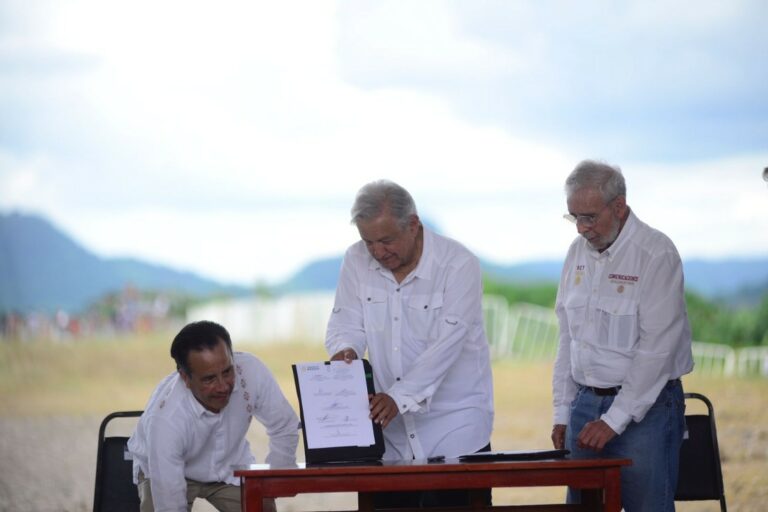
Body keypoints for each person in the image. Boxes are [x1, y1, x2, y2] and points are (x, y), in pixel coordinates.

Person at [326, 179, 494, 508]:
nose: (377, 251)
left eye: (386, 240)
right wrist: (345, 349)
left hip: (456, 427)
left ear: (413, 224)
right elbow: (346, 319)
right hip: (391, 435)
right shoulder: (356, 259)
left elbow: (447, 346)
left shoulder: (459, 265)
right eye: (368, 241)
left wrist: (398, 397)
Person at [551, 160, 694, 512]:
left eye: (589, 217)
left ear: (619, 206)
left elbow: (657, 350)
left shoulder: (655, 253)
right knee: (584, 506)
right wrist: (561, 410)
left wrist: (613, 420)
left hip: (648, 410)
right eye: (574, 217)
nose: (582, 229)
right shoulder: (576, 253)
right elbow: (567, 337)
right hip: (584, 406)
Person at [127, 320, 298, 512]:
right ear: (185, 378)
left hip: (230, 466)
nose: (223, 386)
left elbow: (284, 425)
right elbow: (170, 506)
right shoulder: (166, 420)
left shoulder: (252, 371)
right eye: (209, 379)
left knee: (263, 508)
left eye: (227, 371)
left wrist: (273, 484)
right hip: (166, 471)